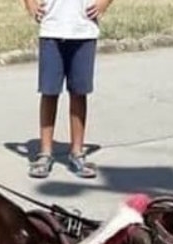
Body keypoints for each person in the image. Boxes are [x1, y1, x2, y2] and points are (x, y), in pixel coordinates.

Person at [24, 0, 110, 180]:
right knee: (49, 92)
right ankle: (45, 153)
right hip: (52, 30)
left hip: (84, 30)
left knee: (79, 93)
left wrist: (104, 3)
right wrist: (30, 4)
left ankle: (77, 152)